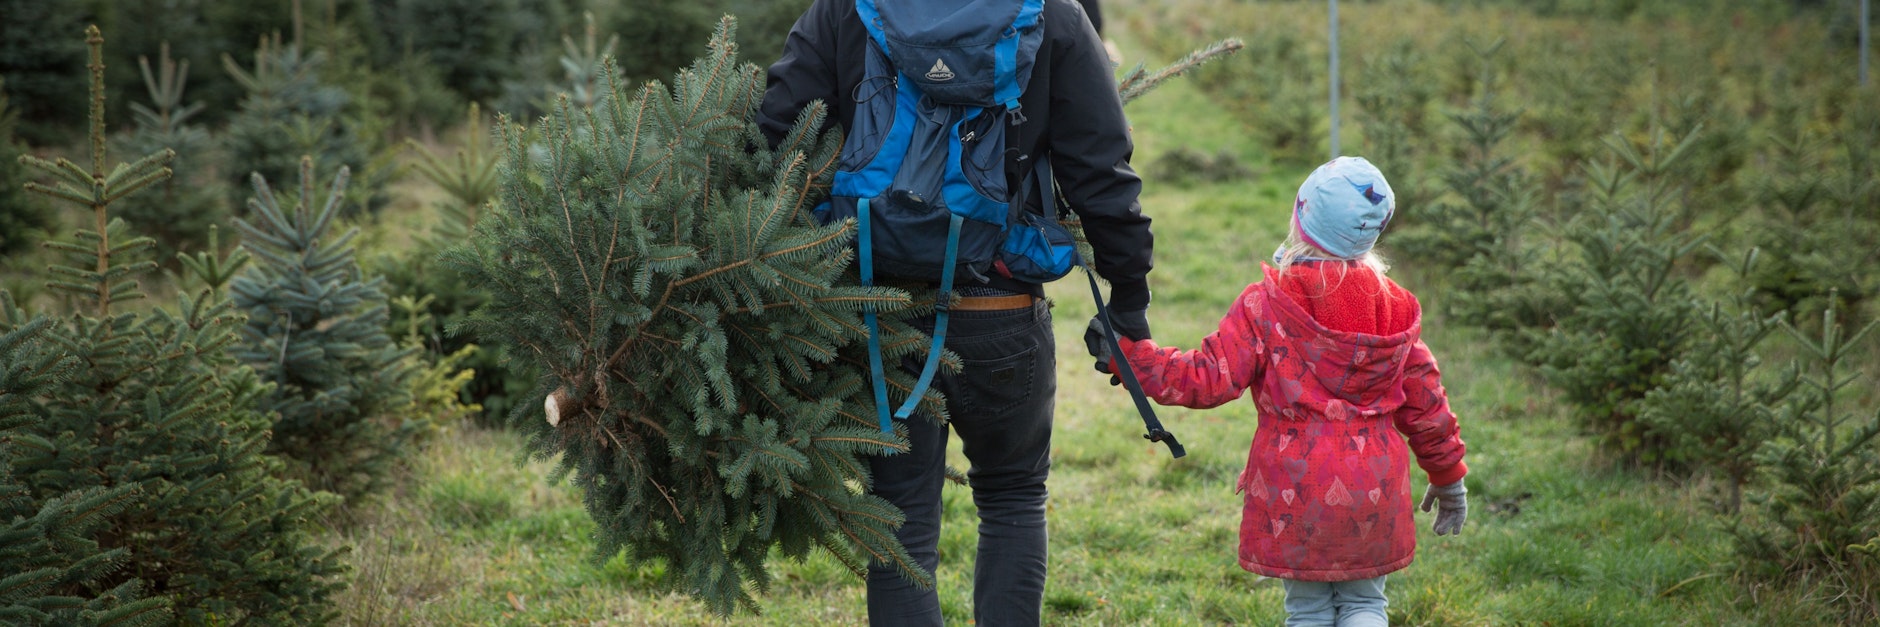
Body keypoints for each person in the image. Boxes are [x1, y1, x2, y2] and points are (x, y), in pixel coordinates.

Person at [757, 1, 1154, 625]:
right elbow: (1101, 171)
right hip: (1003, 305)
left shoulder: (846, 8)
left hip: (878, 311)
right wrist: (1128, 302)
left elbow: (779, 133)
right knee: (1014, 496)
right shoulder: (1052, 14)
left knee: (900, 524)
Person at [1088, 157, 1468, 626]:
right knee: (1365, 605)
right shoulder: (1396, 309)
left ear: (1303, 220)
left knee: (1308, 610)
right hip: (1375, 488)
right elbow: (1428, 404)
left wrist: (1130, 358)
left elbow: (1208, 377)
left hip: (1295, 487)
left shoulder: (1268, 303)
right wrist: (1448, 476)